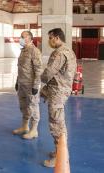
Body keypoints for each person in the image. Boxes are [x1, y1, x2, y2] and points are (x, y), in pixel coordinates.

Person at [41, 28, 77, 167]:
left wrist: (40, 78)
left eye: (50, 38)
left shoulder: (59, 52)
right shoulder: (69, 51)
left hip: (58, 91)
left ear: (56, 38)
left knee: (56, 122)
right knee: (58, 120)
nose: (49, 41)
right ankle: (59, 151)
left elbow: (49, 72)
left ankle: (60, 156)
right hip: (62, 89)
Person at [12, 31, 42, 140]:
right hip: (22, 84)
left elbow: (38, 70)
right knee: (23, 106)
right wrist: (17, 81)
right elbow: (21, 68)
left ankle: (34, 130)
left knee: (33, 106)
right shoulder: (23, 51)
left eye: (22, 37)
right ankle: (25, 127)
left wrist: (36, 85)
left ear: (29, 38)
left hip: (30, 85)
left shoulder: (34, 51)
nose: (20, 39)